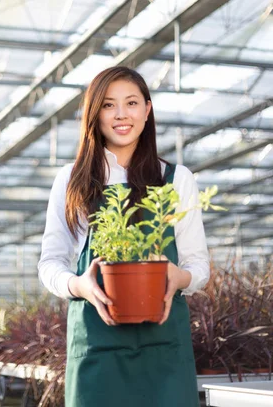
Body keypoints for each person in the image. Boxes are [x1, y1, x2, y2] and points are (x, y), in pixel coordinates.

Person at [38, 66, 209, 407]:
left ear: (147, 110)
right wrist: (79, 286)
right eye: (107, 105)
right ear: (94, 114)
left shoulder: (176, 179)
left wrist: (181, 277)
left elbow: (198, 264)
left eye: (131, 103)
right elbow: (50, 264)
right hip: (97, 346)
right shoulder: (72, 180)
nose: (121, 115)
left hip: (163, 348)